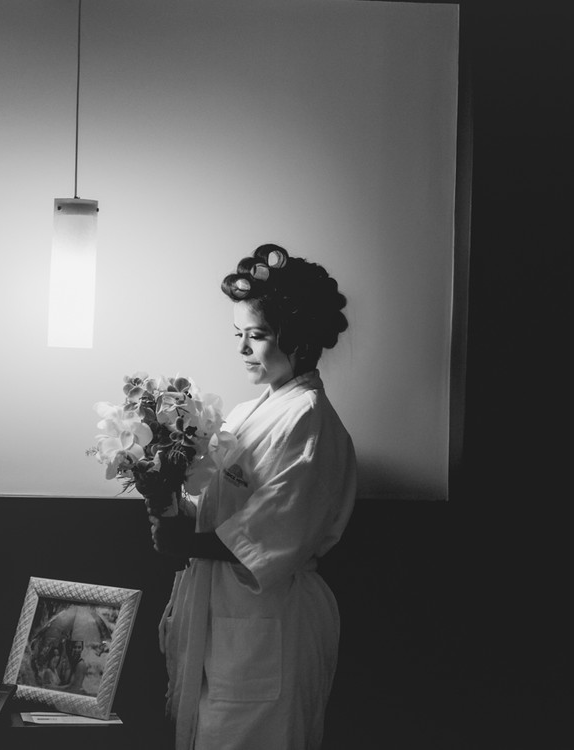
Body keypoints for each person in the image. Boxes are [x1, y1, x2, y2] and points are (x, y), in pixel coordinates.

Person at [144, 243, 356, 750]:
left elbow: (276, 533)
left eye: (256, 336)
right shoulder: (247, 412)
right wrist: (164, 495)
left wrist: (185, 542)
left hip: (272, 621)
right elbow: (216, 512)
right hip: (224, 615)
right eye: (237, 334)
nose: (241, 349)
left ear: (300, 340)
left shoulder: (309, 421)